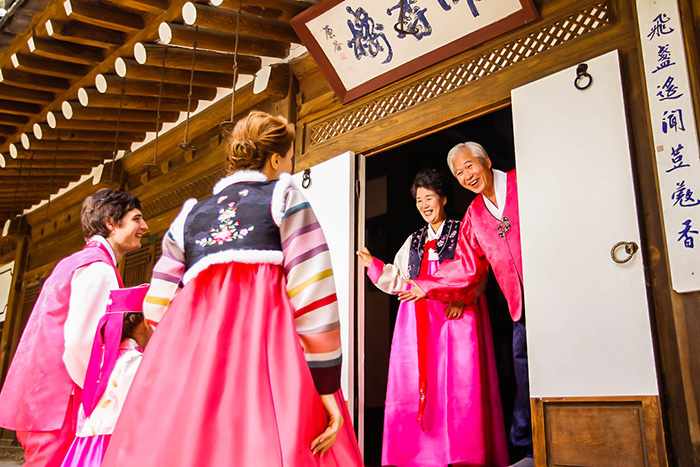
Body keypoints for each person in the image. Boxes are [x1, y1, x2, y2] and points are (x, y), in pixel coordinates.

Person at [102, 111, 363, 467]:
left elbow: (157, 304)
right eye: (289, 158)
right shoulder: (283, 198)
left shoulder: (190, 217)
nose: (289, 166)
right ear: (276, 159)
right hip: (271, 358)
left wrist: (182, 357)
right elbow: (313, 293)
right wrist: (326, 383)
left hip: (201, 365)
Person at [357, 169, 509, 467]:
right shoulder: (414, 240)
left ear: (443, 199)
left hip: (456, 317)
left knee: (458, 383)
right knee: (417, 382)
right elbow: (400, 278)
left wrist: (465, 299)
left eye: (429, 198)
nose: (424, 205)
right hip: (418, 318)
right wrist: (373, 265)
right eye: (419, 200)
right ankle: (420, 456)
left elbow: (480, 269)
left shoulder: (462, 230)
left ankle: (463, 455)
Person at [400, 142, 533, 462]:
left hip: (555, 293)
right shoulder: (474, 213)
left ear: (486, 160)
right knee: (526, 375)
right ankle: (529, 448)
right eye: (459, 173)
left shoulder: (524, 181)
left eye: (469, 166)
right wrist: (425, 284)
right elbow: (468, 265)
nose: (466, 176)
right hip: (519, 307)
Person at [0, 189, 148, 467]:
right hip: (63, 399)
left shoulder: (75, 263)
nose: (144, 226)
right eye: (136, 218)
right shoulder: (98, 268)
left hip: (44, 393)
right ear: (111, 222)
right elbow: (82, 342)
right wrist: (101, 393)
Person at [61, 285, 154, 467]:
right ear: (146, 322)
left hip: (89, 448)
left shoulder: (107, 361)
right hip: (111, 446)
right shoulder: (132, 362)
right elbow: (136, 415)